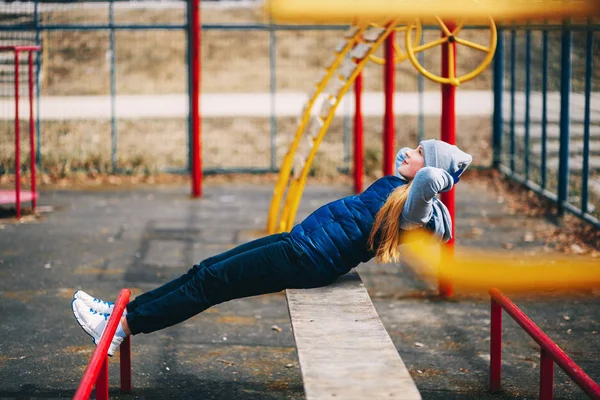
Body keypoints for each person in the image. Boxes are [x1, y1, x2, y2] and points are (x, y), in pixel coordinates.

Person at [72, 139, 472, 356]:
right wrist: (421, 164)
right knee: (205, 271)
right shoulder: (398, 191)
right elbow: (425, 177)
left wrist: (437, 166)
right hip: (301, 244)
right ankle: (120, 314)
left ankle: (120, 329)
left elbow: (433, 179)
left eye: (418, 151)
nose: (407, 151)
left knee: (211, 282)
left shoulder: (414, 210)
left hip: (307, 258)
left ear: (427, 166)